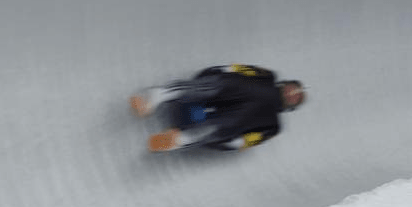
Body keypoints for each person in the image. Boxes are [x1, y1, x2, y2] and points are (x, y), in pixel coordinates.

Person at [129, 64, 305, 152]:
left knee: (233, 123)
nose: (292, 93)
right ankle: (156, 96)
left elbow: (250, 140)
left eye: (297, 97)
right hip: (226, 89)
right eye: (293, 88)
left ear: (292, 106)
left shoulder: (273, 126)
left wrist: (231, 142)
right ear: (285, 84)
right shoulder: (268, 76)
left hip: (227, 119)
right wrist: (219, 70)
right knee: (226, 85)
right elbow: (241, 69)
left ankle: (177, 139)